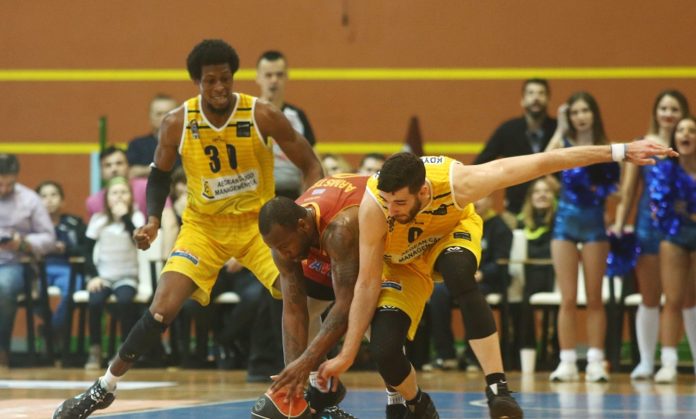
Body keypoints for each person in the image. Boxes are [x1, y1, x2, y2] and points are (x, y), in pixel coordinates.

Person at [53, 38, 323, 419]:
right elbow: (159, 175)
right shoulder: (177, 122)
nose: (220, 88)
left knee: (298, 292)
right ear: (197, 82)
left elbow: (310, 163)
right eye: (211, 81)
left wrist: (309, 211)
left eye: (226, 79)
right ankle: (104, 387)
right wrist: (152, 220)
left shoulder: (261, 114)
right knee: (161, 308)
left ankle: (303, 394)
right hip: (203, 228)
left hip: (255, 226)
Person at [317, 139, 675, 419]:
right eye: (387, 202)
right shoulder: (376, 206)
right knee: (384, 350)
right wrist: (348, 353)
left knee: (460, 275)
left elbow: (545, 162)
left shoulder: (460, 183)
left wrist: (619, 151)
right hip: (402, 264)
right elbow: (367, 283)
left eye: (399, 203)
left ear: (423, 192)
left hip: (450, 235)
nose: (391, 210)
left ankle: (497, 387)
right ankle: (415, 402)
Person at [258, 174, 369, 418]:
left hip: (375, 245)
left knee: (378, 328)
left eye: (284, 246)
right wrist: (293, 375)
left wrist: (305, 362)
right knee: (305, 308)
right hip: (329, 249)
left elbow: (346, 305)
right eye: (275, 248)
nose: (282, 254)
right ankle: (323, 388)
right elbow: (293, 309)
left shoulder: (340, 229)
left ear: (303, 226)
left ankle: (402, 399)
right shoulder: (285, 241)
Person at [612, 90, 690, 380]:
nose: (668, 114)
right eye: (664, 108)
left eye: (674, 109)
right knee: (649, 296)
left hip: (679, 229)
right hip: (647, 227)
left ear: (683, 113)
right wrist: (619, 224)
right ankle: (646, 361)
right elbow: (629, 191)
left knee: (680, 297)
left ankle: (670, 359)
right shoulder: (642, 144)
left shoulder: (687, 144)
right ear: (655, 112)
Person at [545, 92, 619, 383]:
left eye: (585, 110)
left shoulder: (605, 147)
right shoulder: (563, 144)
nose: (580, 117)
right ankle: (566, 361)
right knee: (567, 298)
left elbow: (616, 186)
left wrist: (605, 196)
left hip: (594, 226)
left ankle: (596, 361)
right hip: (565, 224)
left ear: (594, 114)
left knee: (594, 297)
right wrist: (559, 130)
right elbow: (543, 163)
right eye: (575, 112)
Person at [427, 194, 512, 372]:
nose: (477, 201)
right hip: (458, 276)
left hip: (486, 281)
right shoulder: (459, 222)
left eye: (481, 197)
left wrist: (482, 274)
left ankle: (472, 357)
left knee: (472, 296)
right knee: (439, 293)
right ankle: (445, 355)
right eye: (474, 197)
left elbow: (501, 262)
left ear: (490, 200)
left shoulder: (499, 227)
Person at [649, 116, 696, 383]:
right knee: (673, 299)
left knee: (693, 300)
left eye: (691, 130)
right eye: (681, 130)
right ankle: (668, 362)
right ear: (674, 138)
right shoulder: (666, 169)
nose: (686, 134)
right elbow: (658, 207)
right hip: (674, 235)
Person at [0, 154, 56, 370]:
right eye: (0, 184)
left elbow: (49, 238)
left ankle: (2, 348)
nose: (4, 189)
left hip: (16, 264)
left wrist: (23, 243)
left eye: (9, 184)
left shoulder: (30, 199)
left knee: (4, 286)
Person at [83, 177, 144, 370]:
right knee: (95, 301)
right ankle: (95, 349)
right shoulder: (98, 219)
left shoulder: (136, 217)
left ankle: (123, 352)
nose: (119, 197)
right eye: (114, 193)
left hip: (127, 276)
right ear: (106, 198)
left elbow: (137, 240)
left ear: (131, 197)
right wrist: (93, 276)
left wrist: (125, 217)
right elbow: (86, 251)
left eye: (124, 192)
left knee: (125, 302)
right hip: (104, 276)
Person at [475, 78, 558, 217]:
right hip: (515, 209)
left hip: (554, 211)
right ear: (522, 100)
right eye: (531, 93)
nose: (536, 98)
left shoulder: (558, 130)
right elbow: (481, 162)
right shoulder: (507, 130)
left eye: (541, 93)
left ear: (548, 100)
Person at [510, 176, 559, 367]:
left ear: (554, 196)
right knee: (523, 302)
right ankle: (525, 357)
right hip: (527, 277)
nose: (542, 195)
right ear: (530, 197)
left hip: (555, 275)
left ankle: (555, 355)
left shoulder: (559, 220)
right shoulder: (522, 223)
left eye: (546, 191)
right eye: (537, 192)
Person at [256, 50, 317, 200]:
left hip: (292, 195)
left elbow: (314, 159)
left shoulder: (297, 115)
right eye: (268, 75)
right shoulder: (248, 114)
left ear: (286, 76)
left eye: (279, 75)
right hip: (256, 195)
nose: (274, 80)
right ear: (258, 77)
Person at [36, 180, 88, 349]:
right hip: (39, 269)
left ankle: (51, 329)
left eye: (54, 195)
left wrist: (67, 248)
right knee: (31, 292)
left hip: (67, 269)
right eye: (43, 196)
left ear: (62, 200)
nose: (49, 200)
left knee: (74, 289)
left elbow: (86, 249)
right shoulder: (31, 225)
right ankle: (53, 330)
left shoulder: (74, 223)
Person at [126, 94, 180, 179]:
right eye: (159, 114)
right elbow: (131, 173)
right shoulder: (137, 145)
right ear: (150, 117)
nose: (164, 118)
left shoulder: (187, 144)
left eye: (168, 113)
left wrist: (147, 170)